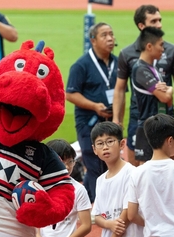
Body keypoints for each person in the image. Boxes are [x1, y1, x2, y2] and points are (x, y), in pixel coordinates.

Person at [113, 4, 174, 166]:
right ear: (141, 25)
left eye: (160, 20)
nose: (159, 25)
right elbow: (119, 89)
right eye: (153, 21)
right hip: (139, 116)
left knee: (169, 165)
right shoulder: (127, 53)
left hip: (166, 116)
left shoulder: (172, 50)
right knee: (136, 166)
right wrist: (116, 118)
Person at [66, 22, 117, 202]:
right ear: (93, 40)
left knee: (107, 164)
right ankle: (100, 207)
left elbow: (120, 93)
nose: (110, 38)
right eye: (104, 35)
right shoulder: (81, 65)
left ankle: (85, 201)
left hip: (110, 123)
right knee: (94, 163)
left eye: (111, 34)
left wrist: (118, 118)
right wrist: (95, 106)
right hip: (88, 122)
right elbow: (70, 94)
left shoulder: (117, 62)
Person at [130, 27, 173, 163]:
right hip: (147, 128)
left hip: (158, 126)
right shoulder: (140, 69)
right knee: (146, 170)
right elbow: (165, 97)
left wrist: (168, 90)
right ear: (149, 46)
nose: (163, 49)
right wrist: (170, 90)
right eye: (161, 45)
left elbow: (168, 100)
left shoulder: (152, 68)